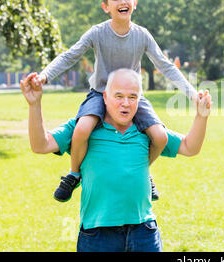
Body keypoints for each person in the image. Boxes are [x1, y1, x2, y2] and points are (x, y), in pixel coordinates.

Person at [27, 0, 198, 202]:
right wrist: (44, 75)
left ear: (134, 2)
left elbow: (165, 66)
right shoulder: (97, 33)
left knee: (159, 137)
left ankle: (144, 173)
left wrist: (192, 93)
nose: (122, 1)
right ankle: (73, 174)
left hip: (133, 96)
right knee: (81, 130)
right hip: (100, 93)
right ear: (106, 7)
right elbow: (70, 55)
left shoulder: (142, 35)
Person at [20, 68, 211, 252]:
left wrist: (201, 117)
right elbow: (40, 145)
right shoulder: (84, 128)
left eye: (132, 97)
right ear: (104, 97)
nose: (126, 104)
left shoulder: (146, 129)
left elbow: (189, 147)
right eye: (118, 96)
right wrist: (34, 105)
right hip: (98, 235)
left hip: (143, 231)